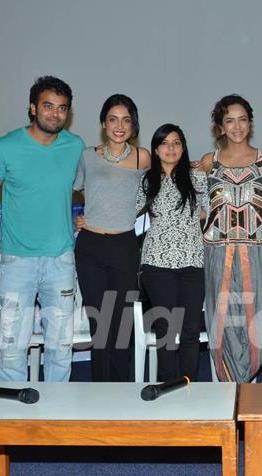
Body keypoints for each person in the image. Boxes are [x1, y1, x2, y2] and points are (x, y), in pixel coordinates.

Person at [0, 76, 85, 382]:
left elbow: (95, 188)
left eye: (62, 108)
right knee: (13, 345)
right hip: (17, 261)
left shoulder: (76, 147)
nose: (55, 114)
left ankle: (57, 411)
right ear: (32, 108)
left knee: (60, 345)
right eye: (47, 106)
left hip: (61, 260)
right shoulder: (4, 147)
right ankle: (13, 414)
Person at [196, 95, 262, 383]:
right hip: (218, 253)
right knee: (222, 321)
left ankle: (247, 382)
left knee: (259, 320)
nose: (237, 126)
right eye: (229, 120)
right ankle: (226, 389)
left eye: (242, 119)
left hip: (259, 253)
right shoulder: (208, 163)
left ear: (250, 123)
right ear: (220, 126)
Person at [73, 94, 150, 381]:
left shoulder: (144, 158)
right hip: (90, 247)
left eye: (126, 120)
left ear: (134, 124)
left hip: (124, 246)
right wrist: (77, 218)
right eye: (113, 119)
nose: (119, 126)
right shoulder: (88, 156)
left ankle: (121, 392)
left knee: (122, 323)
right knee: (100, 324)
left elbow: (157, 194)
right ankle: (100, 392)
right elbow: (74, 190)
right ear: (104, 123)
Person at [136, 124, 208, 382]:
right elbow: (128, 215)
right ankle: (167, 386)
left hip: (192, 261)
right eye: (165, 143)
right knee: (165, 329)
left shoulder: (197, 177)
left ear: (183, 147)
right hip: (157, 264)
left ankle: (189, 384)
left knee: (190, 330)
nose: (171, 148)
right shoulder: (145, 180)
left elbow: (207, 212)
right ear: (156, 149)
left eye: (176, 142)